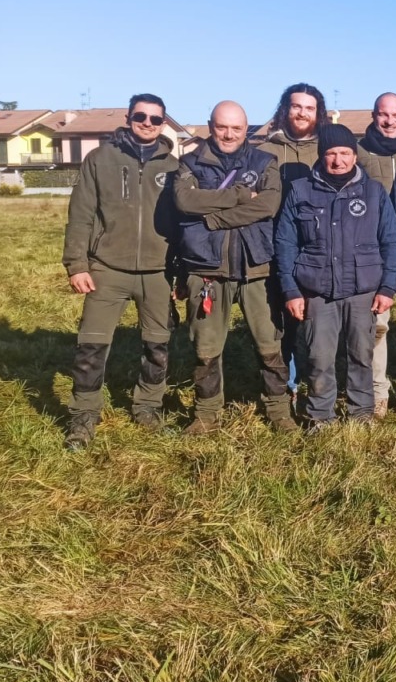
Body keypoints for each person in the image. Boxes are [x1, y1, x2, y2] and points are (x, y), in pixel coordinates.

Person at [60, 95, 182, 450]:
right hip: (107, 269)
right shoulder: (100, 159)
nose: (147, 123)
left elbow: (184, 223)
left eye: (155, 119)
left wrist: (183, 272)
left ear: (163, 124)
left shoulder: (174, 167)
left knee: (158, 345)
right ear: (129, 118)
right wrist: (77, 265)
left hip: (158, 272)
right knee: (91, 346)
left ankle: (148, 406)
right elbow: (81, 215)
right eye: (140, 116)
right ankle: (83, 416)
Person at [175, 101, 296, 435]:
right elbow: (185, 201)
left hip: (257, 266)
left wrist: (212, 218)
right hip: (206, 268)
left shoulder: (264, 162)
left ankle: (278, 410)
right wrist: (241, 196)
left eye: (236, 128)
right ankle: (206, 414)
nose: (228, 134)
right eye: (221, 127)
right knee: (206, 347)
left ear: (246, 129)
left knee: (269, 345)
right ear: (210, 126)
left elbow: (268, 205)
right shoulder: (189, 163)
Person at [275, 124, 396, 431]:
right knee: (319, 357)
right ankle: (321, 416)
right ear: (321, 156)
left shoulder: (373, 192)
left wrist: (388, 287)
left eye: (345, 153)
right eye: (331, 153)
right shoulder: (301, 191)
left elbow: (391, 241)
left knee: (361, 355)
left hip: (363, 289)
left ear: (355, 156)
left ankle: (361, 414)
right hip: (317, 290)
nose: (338, 160)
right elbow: (285, 243)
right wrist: (291, 290)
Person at [259, 82, 328, 399]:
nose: (302, 113)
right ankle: (285, 386)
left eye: (309, 108)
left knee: (317, 324)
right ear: (285, 109)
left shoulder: (327, 150)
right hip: (274, 247)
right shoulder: (264, 151)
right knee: (280, 323)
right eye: (296, 106)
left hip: (319, 249)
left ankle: (320, 386)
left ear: (318, 112)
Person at [357, 92, 396, 415]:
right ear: (374, 115)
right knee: (376, 326)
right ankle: (378, 391)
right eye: (384, 114)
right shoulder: (358, 153)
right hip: (374, 253)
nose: (390, 121)